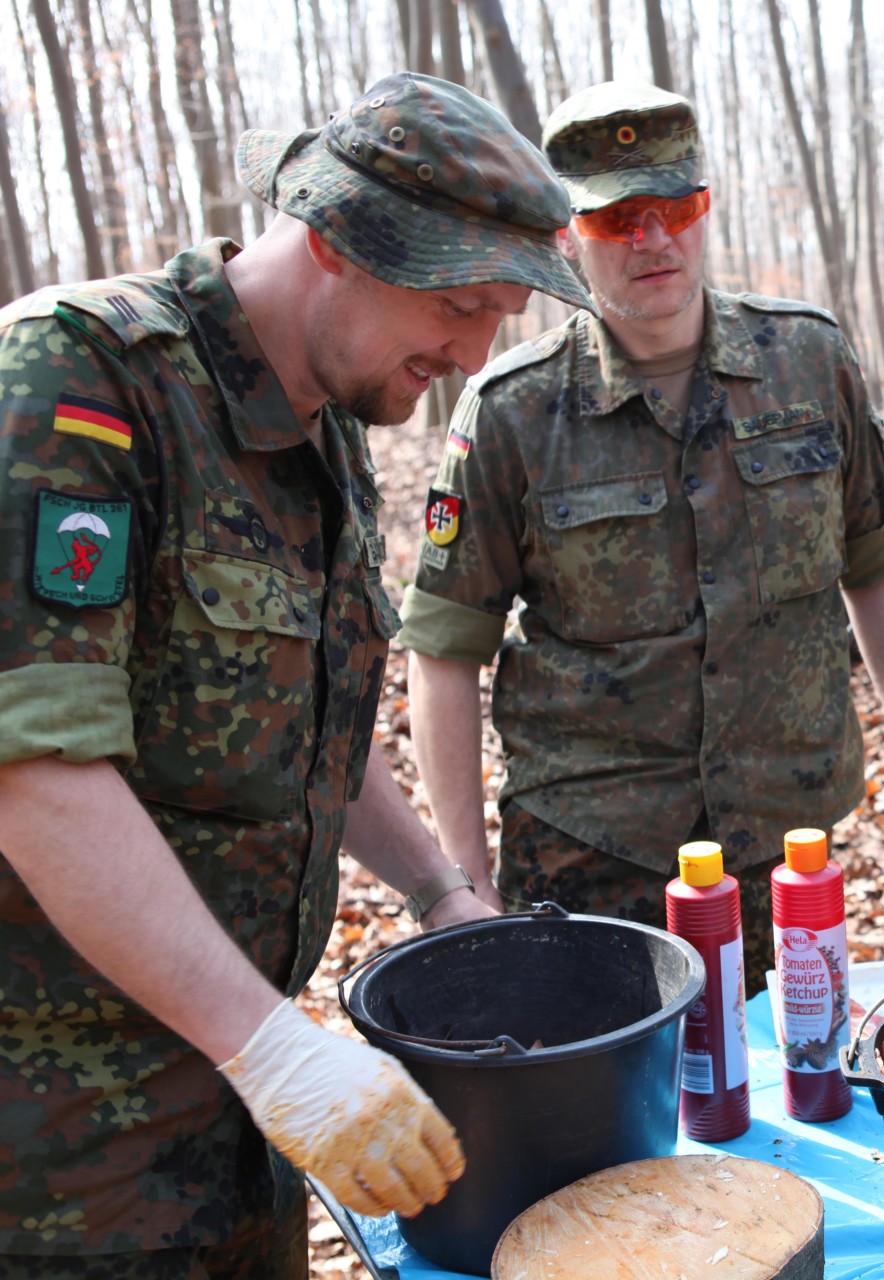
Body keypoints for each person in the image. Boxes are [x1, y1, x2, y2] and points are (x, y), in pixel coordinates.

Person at [0, 73, 595, 1277]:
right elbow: (32, 767)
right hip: (52, 1145)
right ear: (331, 242)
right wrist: (270, 1043)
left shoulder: (321, 418)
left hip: (234, 1107)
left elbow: (309, 720)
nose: (472, 350)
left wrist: (437, 886)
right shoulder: (82, 378)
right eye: (461, 304)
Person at [401, 82, 884, 990]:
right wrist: (466, 879)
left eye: (674, 208)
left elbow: (876, 559)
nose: (652, 238)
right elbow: (444, 647)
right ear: (570, 234)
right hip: (592, 851)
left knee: (782, 1097)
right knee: (614, 1123)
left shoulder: (808, 361)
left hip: (784, 846)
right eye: (619, 219)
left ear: (705, 207)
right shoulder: (514, 410)